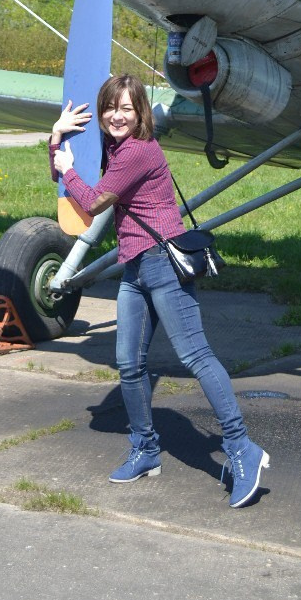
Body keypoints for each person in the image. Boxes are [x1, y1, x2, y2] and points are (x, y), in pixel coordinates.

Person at [51, 73, 269, 509]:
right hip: (134, 268)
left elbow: (92, 203)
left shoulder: (137, 151)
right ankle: (146, 450)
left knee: (195, 356)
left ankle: (243, 448)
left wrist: (67, 167)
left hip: (163, 267)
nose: (116, 115)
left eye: (126, 108)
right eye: (110, 106)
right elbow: (63, 184)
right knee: (129, 364)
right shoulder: (115, 146)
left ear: (140, 113)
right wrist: (55, 139)